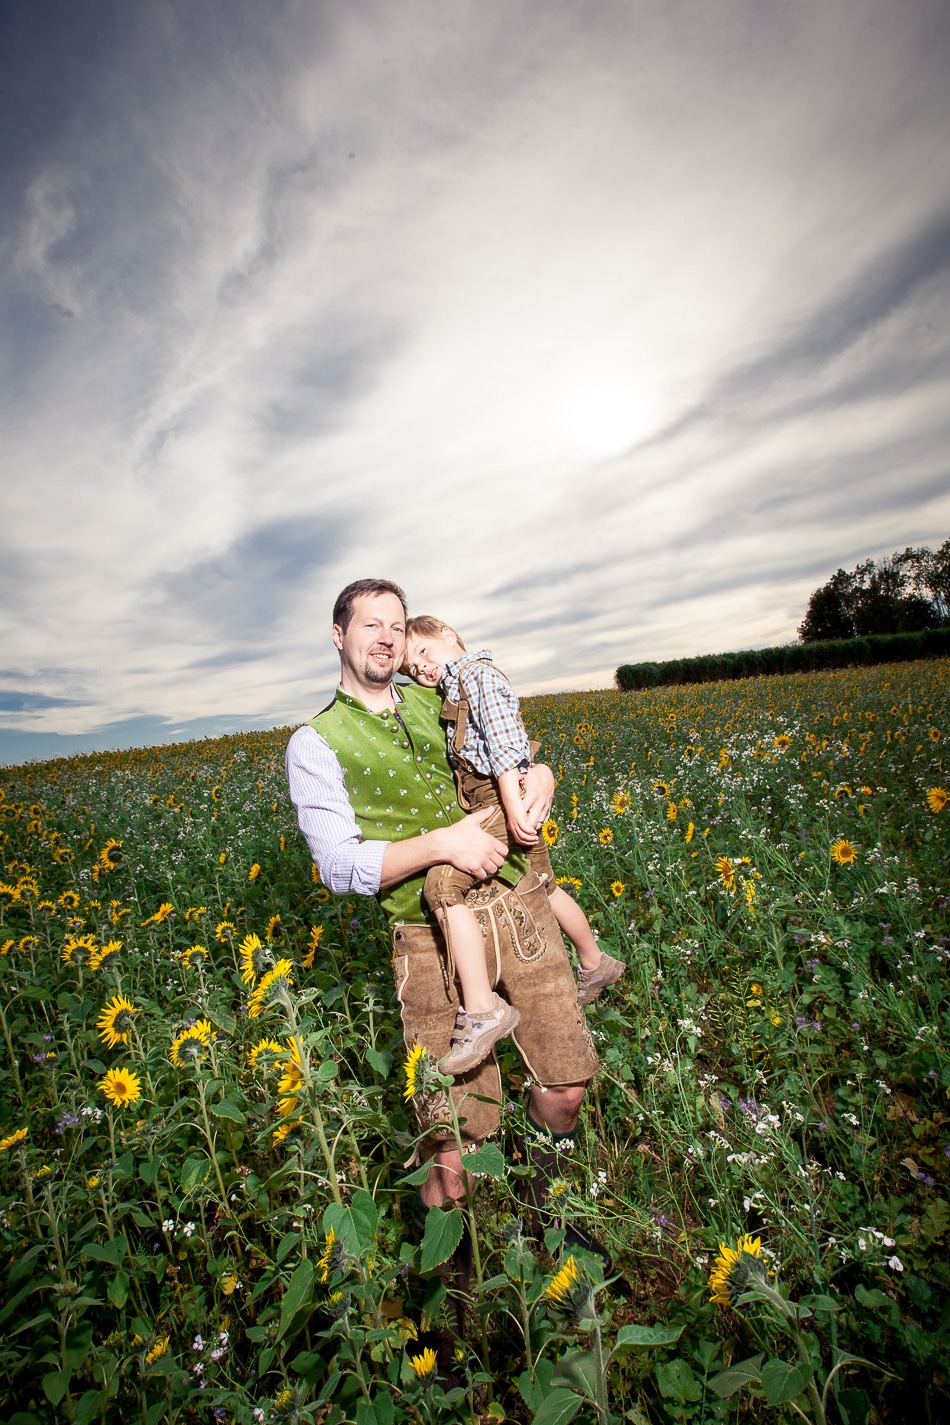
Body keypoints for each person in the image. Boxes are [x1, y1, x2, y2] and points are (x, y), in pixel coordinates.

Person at [285, 579, 602, 1230]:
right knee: (456, 1150)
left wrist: (543, 775)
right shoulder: (314, 741)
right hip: (425, 936)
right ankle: (459, 1294)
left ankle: (541, 1217)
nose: (385, 636)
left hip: (516, 908)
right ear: (339, 635)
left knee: (565, 1091)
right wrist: (442, 843)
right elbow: (340, 865)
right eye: (369, 624)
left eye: (396, 626)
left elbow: (511, 749)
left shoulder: (440, 694)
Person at [402, 615, 625, 1075]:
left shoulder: (476, 676)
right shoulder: (453, 687)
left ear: (449, 635)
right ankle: (595, 962)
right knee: (543, 885)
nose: (421, 668)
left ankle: (483, 1010)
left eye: (423, 652)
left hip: (500, 799)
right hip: (504, 797)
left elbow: (506, 747)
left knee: (442, 886)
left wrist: (514, 803)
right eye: (411, 667)